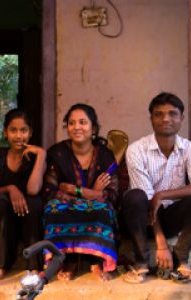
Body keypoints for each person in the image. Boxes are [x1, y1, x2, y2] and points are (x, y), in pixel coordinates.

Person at [122, 92, 191, 283]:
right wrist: (161, 244)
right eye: (159, 114)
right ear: (151, 119)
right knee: (135, 196)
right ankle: (141, 262)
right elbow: (146, 199)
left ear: (181, 118)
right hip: (141, 219)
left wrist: (162, 194)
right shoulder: (136, 149)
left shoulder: (189, 148)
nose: (166, 119)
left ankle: (181, 255)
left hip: (171, 215)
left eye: (172, 113)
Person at [43, 103, 118, 281]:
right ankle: (65, 260)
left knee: (102, 209)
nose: (77, 127)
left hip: (96, 205)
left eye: (83, 122)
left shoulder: (105, 155)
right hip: (66, 204)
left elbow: (112, 194)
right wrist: (92, 194)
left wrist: (76, 190)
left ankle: (97, 260)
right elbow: (49, 190)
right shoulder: (57, 153)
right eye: (71, 123)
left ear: (94, 128)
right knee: (54, 208)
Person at [0, 109, 46, 281]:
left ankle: (34, 264)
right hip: (6, 214)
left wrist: (41, 155)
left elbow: (33, 189)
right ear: (5, 132)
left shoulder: (36, 156)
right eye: (13, 130)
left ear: (30, 132)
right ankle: (0, 264)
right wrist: (10, 188)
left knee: (34, 202)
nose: (19, 136)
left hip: (29, 214)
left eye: (23, 130)